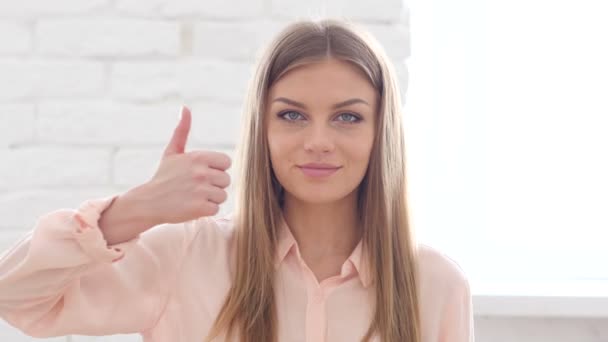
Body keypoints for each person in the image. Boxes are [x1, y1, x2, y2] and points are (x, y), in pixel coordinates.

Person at [0, 19, 473, 342]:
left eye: (347, 118)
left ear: (381, 132)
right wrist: (137, 209)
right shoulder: (185, 258)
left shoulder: (436, 284)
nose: (318, 141)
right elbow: (16, 296)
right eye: (291, 115)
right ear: (261, 128)